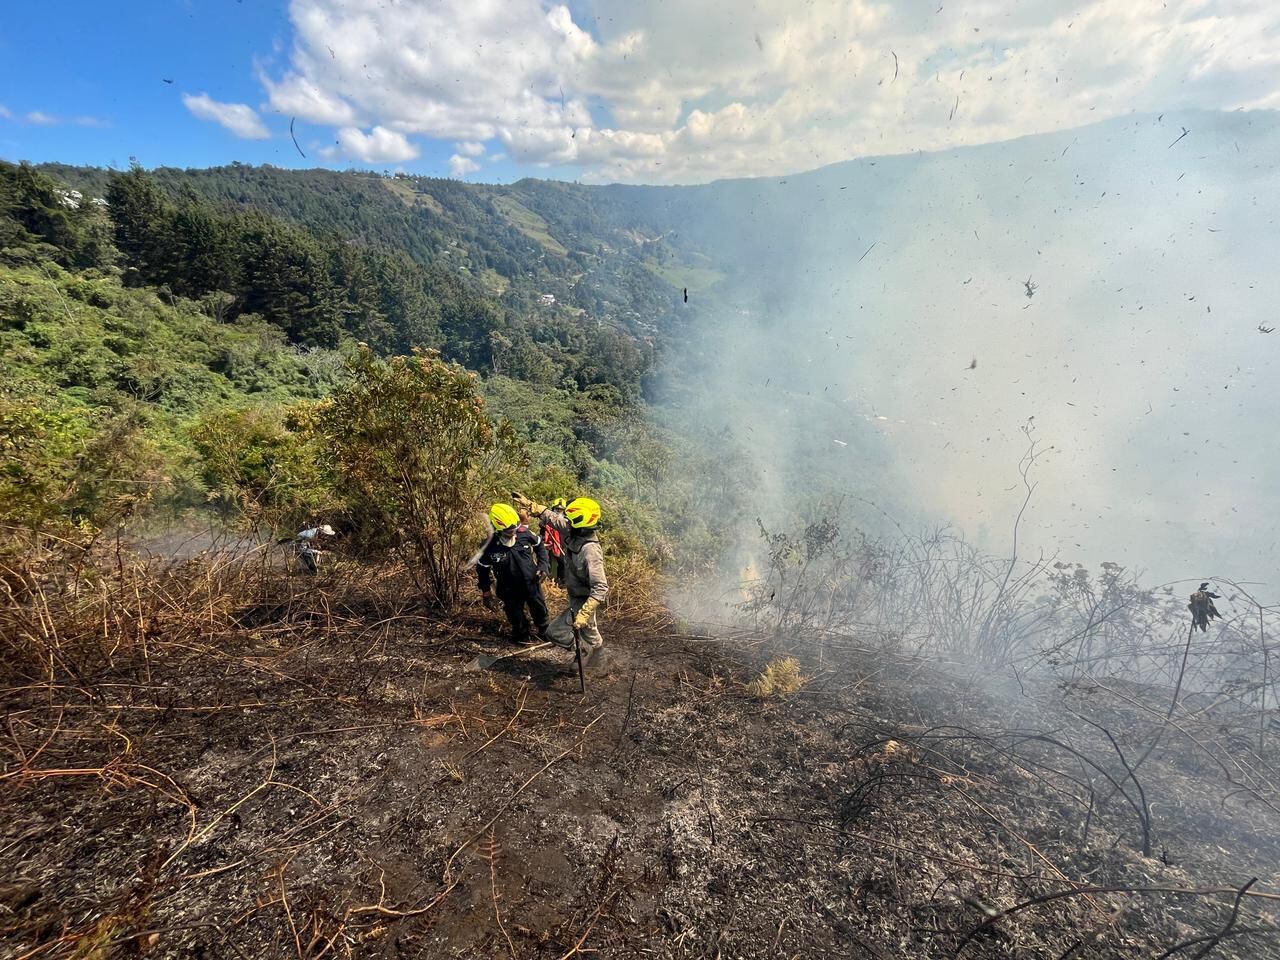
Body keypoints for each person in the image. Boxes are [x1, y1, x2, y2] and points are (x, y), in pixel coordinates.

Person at [515, 493, 608, 664]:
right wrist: (532, 505)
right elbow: (553, 519)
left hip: (584, 599)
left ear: (580, 524)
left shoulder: (590, 552)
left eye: (571, 520)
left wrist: (584, 613)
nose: (567, 522)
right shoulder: (574, 531)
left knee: (554, 632)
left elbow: (600, 588)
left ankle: (584, 653)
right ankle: (598, 661)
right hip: (576, 594)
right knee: (589, 630)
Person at [476, 503, 550, 645]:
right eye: (509, 531)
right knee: (515, 614)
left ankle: (545, 631)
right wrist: (486, 591)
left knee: (539, 609)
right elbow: (482, 569)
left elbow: (540, 547)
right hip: (508, 589)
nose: (513, 532)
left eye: (515, 529)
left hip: (531, 582)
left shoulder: (524, 534)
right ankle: (522, 634)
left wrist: (543, 566)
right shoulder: (489, 546)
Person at [541, 498, 568, 586]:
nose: (558, 511)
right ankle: (547, 581)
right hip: (548, 544)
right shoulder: (548, 519)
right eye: (557, 509)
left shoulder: (566, 522)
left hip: (561, 545)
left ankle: (562, 582)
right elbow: (542, 532)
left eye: (561, 510)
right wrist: (543, 527)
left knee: (563, 563)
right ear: (553, 509)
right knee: (546, 561)